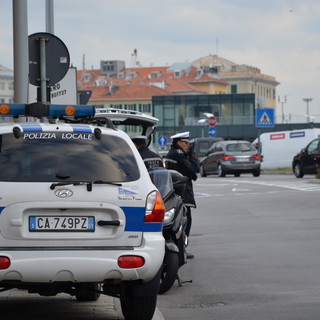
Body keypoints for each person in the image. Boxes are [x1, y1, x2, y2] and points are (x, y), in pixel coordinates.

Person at [165, 131, 199, 258]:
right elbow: (191, 170)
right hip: (182, 192)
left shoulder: (174, 153)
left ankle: (180, 248)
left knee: (182, 220)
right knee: (184, 220)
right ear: (178, 142)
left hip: (177, 191)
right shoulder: (178, 154)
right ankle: (181, 249)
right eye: (185, 143)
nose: (187, 146)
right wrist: (193, 157)